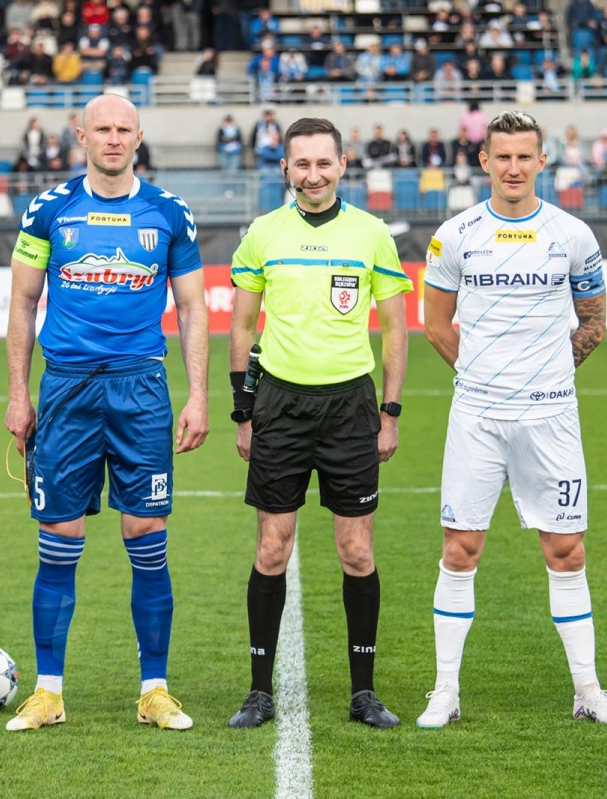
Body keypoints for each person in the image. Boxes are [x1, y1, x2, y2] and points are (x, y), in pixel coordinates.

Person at [415, 110, 607, 729]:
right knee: (460, 548)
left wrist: (547, 376)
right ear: (485, 161)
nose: (513, 168)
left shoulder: (573, 234)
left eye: (524, 156)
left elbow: (594, 322)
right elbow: (435, 325)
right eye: (502, 156)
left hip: (550, 418)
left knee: (567, 550)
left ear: (541, 161)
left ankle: (588, 690)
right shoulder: (454, 235)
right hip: (477, 416)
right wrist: (483, 376)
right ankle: (445, 692)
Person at [4, 94, 208, 732]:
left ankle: (155, 690)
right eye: (103, 129)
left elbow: (193, 308)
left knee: (146, 534)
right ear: (81, 135)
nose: (113, 139)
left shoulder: (169, 212)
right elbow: (22, 303)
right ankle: (48, 692)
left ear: (138, 137)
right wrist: (18, 393)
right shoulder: (48, 209)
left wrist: (199, 394)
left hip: (140, 389)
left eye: (124, 129)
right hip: (66, 389)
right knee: (59, 538)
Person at [226, 117, 412, 730]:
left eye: (323, 164)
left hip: (350, 407)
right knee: (271, 547)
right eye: (301, 165)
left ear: (342, 165)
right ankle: (259, 692)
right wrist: (243, 411)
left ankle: (364, 693)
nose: (313, 175)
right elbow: (242, 326)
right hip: (279, 405)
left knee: (356, 551)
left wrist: (390, 413)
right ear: (285, 168)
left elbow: (395, 330)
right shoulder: (263, 233)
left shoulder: (372, 234)